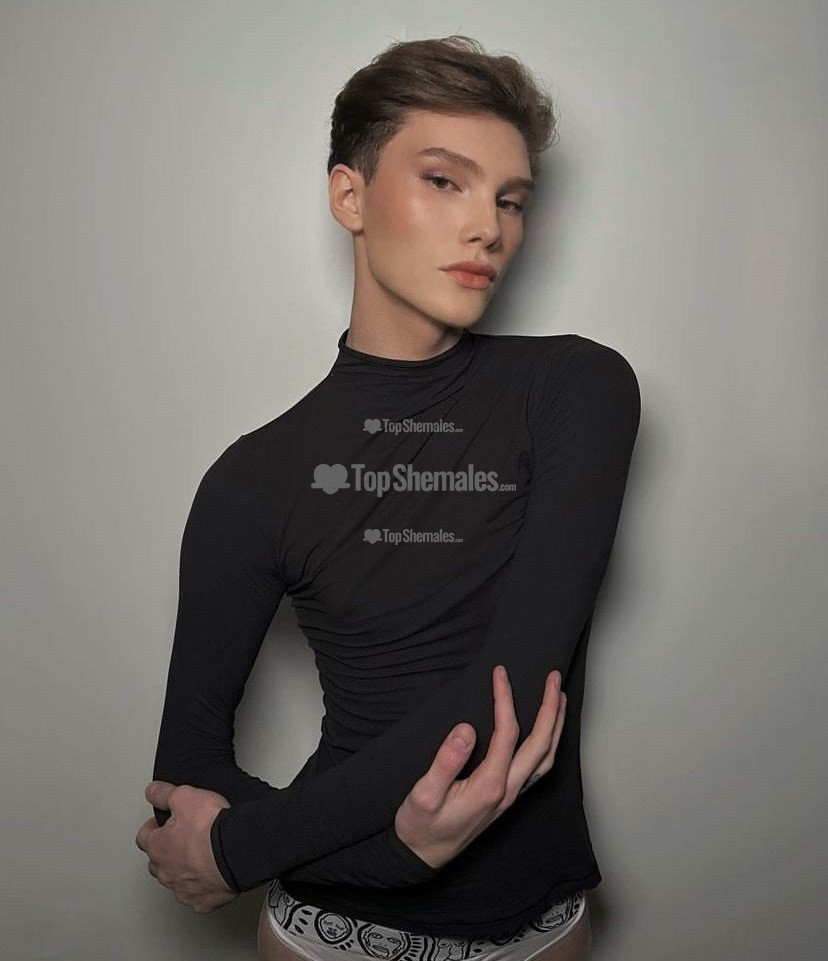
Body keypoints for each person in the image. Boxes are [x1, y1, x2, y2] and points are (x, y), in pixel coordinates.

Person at [134, 35, 640, 961]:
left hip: (539, 928)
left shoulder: (576, 387)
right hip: (334, 935)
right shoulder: (252, 478)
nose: (488, 226)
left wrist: (242, 850)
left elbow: (512, 686)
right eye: (445, 180)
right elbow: (185, 776)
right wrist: (392, 854)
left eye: (510, 198)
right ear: (350, 196)